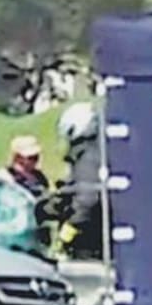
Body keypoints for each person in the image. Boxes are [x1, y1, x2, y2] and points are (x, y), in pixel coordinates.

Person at [49, 102, 104, 260]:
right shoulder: (100, 150)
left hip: (88, 240)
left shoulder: (87, 158)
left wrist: (69, 229)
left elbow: (88, 198)